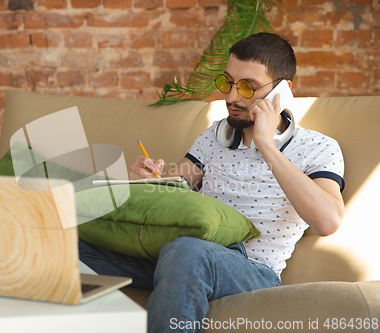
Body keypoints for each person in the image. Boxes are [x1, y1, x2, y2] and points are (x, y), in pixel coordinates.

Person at [79, 33, 345, 332]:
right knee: (65, 241)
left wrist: (266, 144)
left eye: (247, 87)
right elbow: (174, 186)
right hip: (179, 255)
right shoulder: (213, 137)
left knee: (186, 251)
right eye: (227, 82)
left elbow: (328, 221)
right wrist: (144, 180)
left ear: (281, 91)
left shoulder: (319, 147)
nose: (231, 97)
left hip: (251, 269)